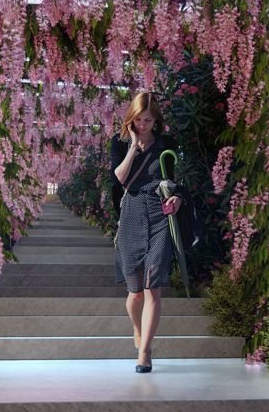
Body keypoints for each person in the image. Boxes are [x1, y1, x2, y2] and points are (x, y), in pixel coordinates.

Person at [111, 92, 182, 374]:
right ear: (131, 118)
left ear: (156, 121)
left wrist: (178, 198)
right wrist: (133, 146)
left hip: (159, 214)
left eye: (148, 121)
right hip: (131, 214)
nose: (143, 125)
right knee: (136, 292)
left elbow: (175, 182)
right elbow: (119, 177)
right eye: (139, 120)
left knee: (153, 287)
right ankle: (138, 330)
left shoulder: (167, 145)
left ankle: (145, 352)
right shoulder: (119, 143)